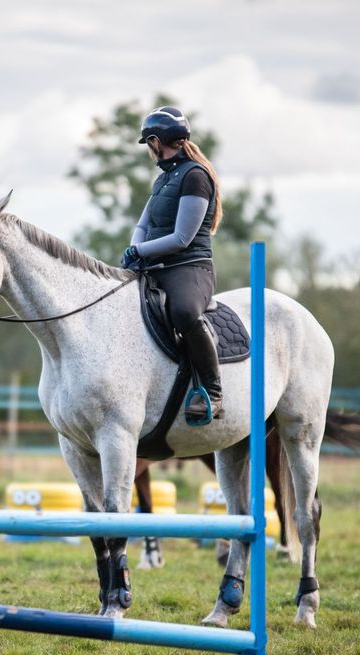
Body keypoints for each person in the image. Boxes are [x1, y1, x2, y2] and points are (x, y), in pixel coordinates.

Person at [121, 106, 225, 423]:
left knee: (183, 313)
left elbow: (182, 238)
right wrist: (133, 248)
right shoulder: (164, 179)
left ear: (156, 141)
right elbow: (143, 223)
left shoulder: (195, 176)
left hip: (189, 268)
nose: (150, 150)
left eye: (149, 143)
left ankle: (214, 391)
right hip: (153, 267)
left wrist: (140, 251)